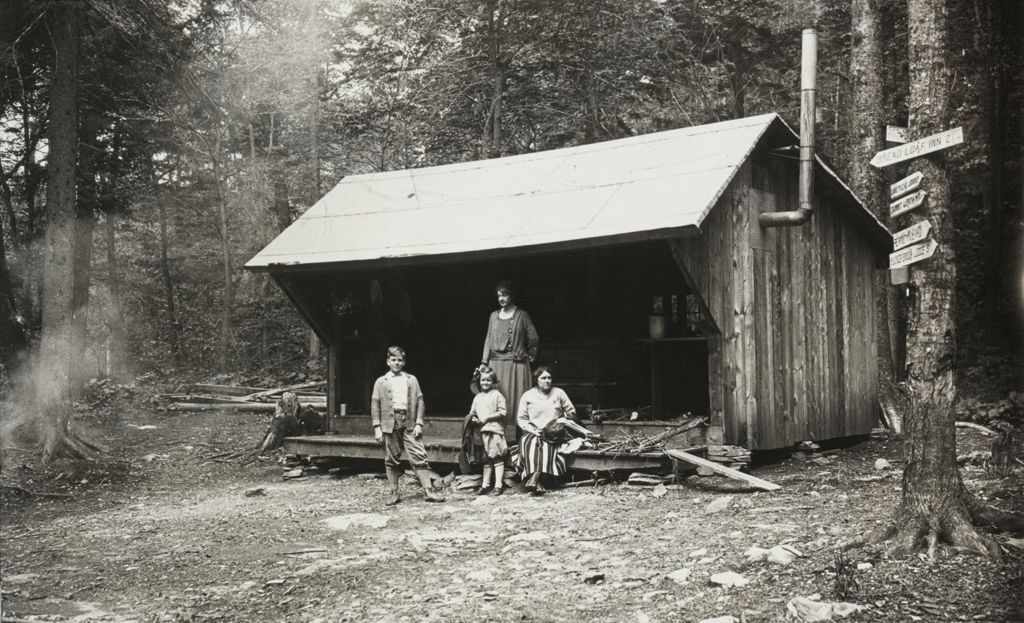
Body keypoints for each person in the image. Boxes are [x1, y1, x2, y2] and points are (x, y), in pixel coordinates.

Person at [371, 346, 445, 505]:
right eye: (393, 360)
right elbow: (375, 404)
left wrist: (419, 423)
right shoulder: (381, 381)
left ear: (403, 362)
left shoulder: (411, 379)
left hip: (409, 421)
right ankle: (394, 493)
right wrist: (377, 427)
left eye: (399, 360)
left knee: (418, 455)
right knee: (391, 458)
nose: (396, 363)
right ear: (388, 361)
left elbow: (420, 401)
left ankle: (428, 491)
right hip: (389, 423)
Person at [479, 281, 539, 437]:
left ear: (511, 295)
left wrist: (529, 357)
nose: (501, 298)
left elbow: (533, 339)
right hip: (495, 365)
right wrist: (484, 362)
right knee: (496, 401)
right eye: (499, 295)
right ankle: (496, 437)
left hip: (516, 366)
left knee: (517, 401)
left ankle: (521, 439)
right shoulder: (493, 316)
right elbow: (488, 339)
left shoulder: (522, 315)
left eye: (504, 294)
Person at [515, 366, 577, 495]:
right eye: (543, 378)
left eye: (549, 378)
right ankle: (537, 482)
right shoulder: (528, 396)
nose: (547, 381)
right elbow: (521, 419)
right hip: (534, 431)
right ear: (536, 380)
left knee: (547, 443)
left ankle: (534, 478)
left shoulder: (559, 393)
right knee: (529, 443)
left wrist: (560, 422)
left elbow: (571, 413)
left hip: (556, 432)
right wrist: (532, 430)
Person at [468, 367, 508, 496]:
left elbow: (503, 412)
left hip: (494, 430)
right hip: (482, 431)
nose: (485, 383)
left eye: (488, 380)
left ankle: (498, 486)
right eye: (483, 380)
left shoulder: (497, 395)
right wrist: (474, 418)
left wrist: (487, 417)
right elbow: (472, 413)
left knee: (496, 457)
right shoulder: (478, 397)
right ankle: (485, 485)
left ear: (493, 382)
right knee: (486, 459)